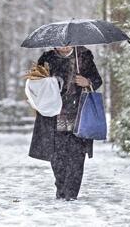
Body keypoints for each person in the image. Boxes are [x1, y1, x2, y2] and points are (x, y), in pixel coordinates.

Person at [28, 45, 102, 201]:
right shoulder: (47, 58)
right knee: (57, 156)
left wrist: (87, 81)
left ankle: (71, 193)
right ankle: (61, 189)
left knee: (76, 155)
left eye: (67, 42)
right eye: (60, 43)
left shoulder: (83, 55)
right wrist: (48, 82)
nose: (64, 45)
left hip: (79, 115)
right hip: (54, 115)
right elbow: (35, 83)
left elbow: (97, 80)